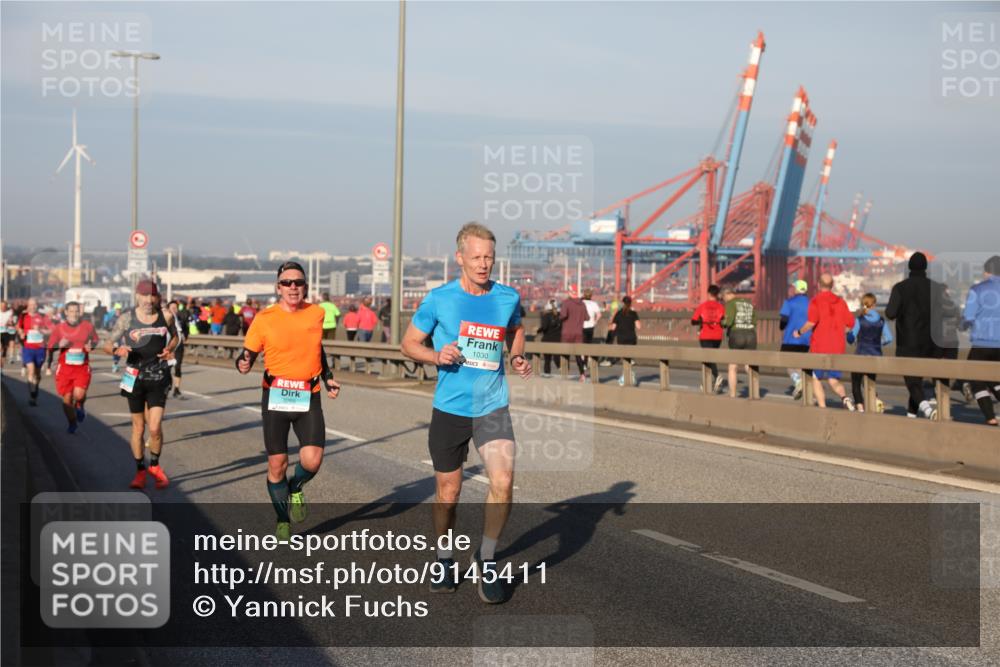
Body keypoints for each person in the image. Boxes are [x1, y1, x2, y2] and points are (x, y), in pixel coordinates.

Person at [400, 222, 531, 603]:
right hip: (450, 409)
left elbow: (516, 329)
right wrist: (435, 355)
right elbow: (408, 344)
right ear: (459, 257)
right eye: (476, 257)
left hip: (492, 404)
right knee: (448, 492)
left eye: (489, 256)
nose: (483, 263)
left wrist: (518, 354)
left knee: (503, 480)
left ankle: (487, 558)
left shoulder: (507, 297)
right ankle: (443, 557)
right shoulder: (439, 299)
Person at [237, 261, 342, 540]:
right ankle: (282, 519)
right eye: (287, 283)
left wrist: (328, 376)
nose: (293, 287)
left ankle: (296, 487)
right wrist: (244, 362)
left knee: (312, 460)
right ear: (278, 287)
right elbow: (247, 353)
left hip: (308, 396)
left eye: (298, 282)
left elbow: (317, 348)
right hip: (276, 396)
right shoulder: (264, 318)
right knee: (277, 464)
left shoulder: (316, 314)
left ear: (305, 287)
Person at [104, 280, 177, 490]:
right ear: (137, 296)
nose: (148, 300)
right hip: (134, 378)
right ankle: (140, 472)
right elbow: (107, 344)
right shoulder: (127, 319)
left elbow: (178, 338)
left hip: (158, 376)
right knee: (138, 427)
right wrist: (117, 350)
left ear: (157, 297)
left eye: (152, 296)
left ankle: (154, 465)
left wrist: (170, 348)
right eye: (144, 296)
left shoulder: (166, 316)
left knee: (154, 428)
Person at [885, 252, 950, 419]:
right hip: (933, 344)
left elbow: (890, 313)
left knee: (912, 382)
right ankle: (911, 417)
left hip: (908, 343)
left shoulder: (900, 288)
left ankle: (928, 411)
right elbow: (945, 314)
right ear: (926, 268)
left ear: (909, 268)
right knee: (918, 382)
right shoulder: (936, 288)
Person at [793, 274, 857, 410]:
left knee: (816, 378)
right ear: (832, 285)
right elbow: (851, 323)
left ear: (818, 284)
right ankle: (845, 398)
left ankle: (823, 408)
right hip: (838, 348)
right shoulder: (841, 302)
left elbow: (811, 323)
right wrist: (840, 331)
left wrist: (798, 332)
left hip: (819, 348)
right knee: (834, 380)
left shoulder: (815, 301)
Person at [48, 301, 99, 433]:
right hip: (65, 368)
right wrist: (60, 344)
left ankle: (80, 404)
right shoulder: (59, 328)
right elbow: (50, 346)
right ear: (66, 312)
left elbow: (95, 340)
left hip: (82, 367)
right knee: (67, 399)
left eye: (76, 311)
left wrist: (91, 346)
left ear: (80, 312)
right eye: (71, 311)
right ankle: (72, 422)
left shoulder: (87, 326)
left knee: (79, 394)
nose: (74, 314)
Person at [961, 255, 1000, 426]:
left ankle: (990, 417)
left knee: (976, 380)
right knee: (996, 379)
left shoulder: (977, 289)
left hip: (982, 344)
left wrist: (963, 325)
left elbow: (968, 317)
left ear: (987, 271)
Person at [846, 293, 892, 413]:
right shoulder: (881, 320)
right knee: (870, 381)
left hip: (861, 355)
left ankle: (860, 407)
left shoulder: (860, 320)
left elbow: (851, 339)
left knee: (856, 382)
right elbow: (889, 338)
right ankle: (874, 401)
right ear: (874, 304)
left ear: (863, 304)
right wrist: (878, 344)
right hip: (876, 355)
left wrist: (848, 334)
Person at [779, 280, 812, 399]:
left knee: (786, 361)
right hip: (807, 339)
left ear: (797, 289)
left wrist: (781, 327)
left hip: (790, 338)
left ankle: (798, 382)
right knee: (799, 363)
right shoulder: (811, 303)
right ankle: (801, 382)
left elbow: (783, 320)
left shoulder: (789, 302)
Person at [720, 288, 756, 398]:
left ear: (726, 295)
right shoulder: (748, 303)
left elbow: (728, 322)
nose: (724, 301)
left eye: (723, 298)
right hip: (751, 335)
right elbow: (754, 321)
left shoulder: (731, 304)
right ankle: (754, 392)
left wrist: (722, 322)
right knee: (748, 365)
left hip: (737, 335)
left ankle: (733, 394)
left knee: (733, 366)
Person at [17, 298, 53, 406]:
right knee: (31, 371)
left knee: (37, 374)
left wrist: (42, 331)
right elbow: (19, 327)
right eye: (31, 304)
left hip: (40, 349)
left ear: (37, 306)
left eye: (35, 304)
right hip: (28, 348)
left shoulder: (43, 317)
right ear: (27, 306)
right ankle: (32, 394)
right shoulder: (23, 316)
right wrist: (21, 333)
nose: (33, 306)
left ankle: (35, 388)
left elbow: (51, 329)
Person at [692, 285, 725, 393]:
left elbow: (693, 321)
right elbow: (724, 321)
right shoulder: (721, 307)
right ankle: (706, 383)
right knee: (711, 358)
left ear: (709, 293)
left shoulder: (703, 306)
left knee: (707, 358)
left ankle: (716, 376)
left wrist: (702, 322)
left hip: (706, 335)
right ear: (717, 294)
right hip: (718, 336)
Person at [609, 295, 640, 386]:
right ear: (630, 303)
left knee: (624, 358)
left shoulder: (618, 313)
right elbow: (639, 326)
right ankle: (629, 374)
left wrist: (611, 325)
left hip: (621, 338)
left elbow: (613, 327)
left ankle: (625, 375)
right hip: (631, 338)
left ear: (622, 303)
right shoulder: (634, 313)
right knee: (629, 357)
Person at [559, 286, 588, 381]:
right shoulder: (582, 304)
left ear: (570, 292)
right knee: (578, 355)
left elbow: (563, 316)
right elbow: (587, 318)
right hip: (579, 332)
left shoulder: (566, 303)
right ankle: (582, 374)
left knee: (565, 354)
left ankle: (565, 375)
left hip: (567, 332)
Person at [167, 300, 188, 399]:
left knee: (178, 366)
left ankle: (176, 389)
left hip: (179, 345)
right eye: (173, 308)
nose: (175, 309)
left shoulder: (180, 318)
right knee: (167, 367)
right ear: (169, 308)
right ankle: (166, 387)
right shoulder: (165, 319)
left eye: (176, 308)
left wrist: (185, 336)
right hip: (169, 345)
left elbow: (185, 327)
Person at [536, 299, 562, 377]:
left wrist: (538, 330)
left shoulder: (546, 315)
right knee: (557, 357)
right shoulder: (560, 315)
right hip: (558, 339)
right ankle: (562, 371)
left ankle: (547, 374)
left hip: (547, 339)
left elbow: (544, 327)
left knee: (547, 360)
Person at [0, 300, 16, 365]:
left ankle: (11, 357)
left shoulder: (10, 312)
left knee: (10, 345)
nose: (3, 307)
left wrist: (10, 322)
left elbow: (13, 322)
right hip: (1, 331)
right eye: (1, 306)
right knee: (1, 347)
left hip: (10, 331)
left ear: (6, 306)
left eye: (4, 306)